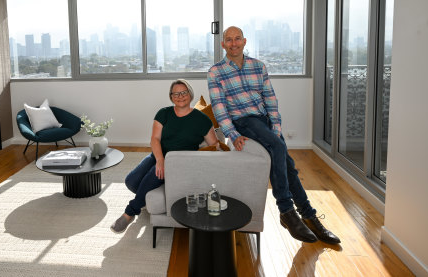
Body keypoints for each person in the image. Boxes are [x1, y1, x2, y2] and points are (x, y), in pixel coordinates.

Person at [207, 26, 340, 244]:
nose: (233, 43)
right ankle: (286, 210)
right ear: (223, 44)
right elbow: (219, 107)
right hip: (244, 121)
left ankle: (308, 216)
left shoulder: (258, 66)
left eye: (237, 39)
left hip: (265, 122)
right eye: (229, 40)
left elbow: (270, 99)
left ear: (244, 41)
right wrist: (231, 133)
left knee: (289, 167)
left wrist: (276, 128)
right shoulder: (216, 71)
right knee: (279, 149)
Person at [111, 79, 218, 234]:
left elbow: (214, 145)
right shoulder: (164, 113)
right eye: (176, 93)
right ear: (171, 96)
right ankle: (145, 195)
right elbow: (155, 139)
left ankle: (129, 213)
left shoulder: (202, 119)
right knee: (131, 181)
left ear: (190, 94)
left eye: (184, 92)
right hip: (159, 155)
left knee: (154, 174)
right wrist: (160, 159)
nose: (180, 96)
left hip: (179, 161)